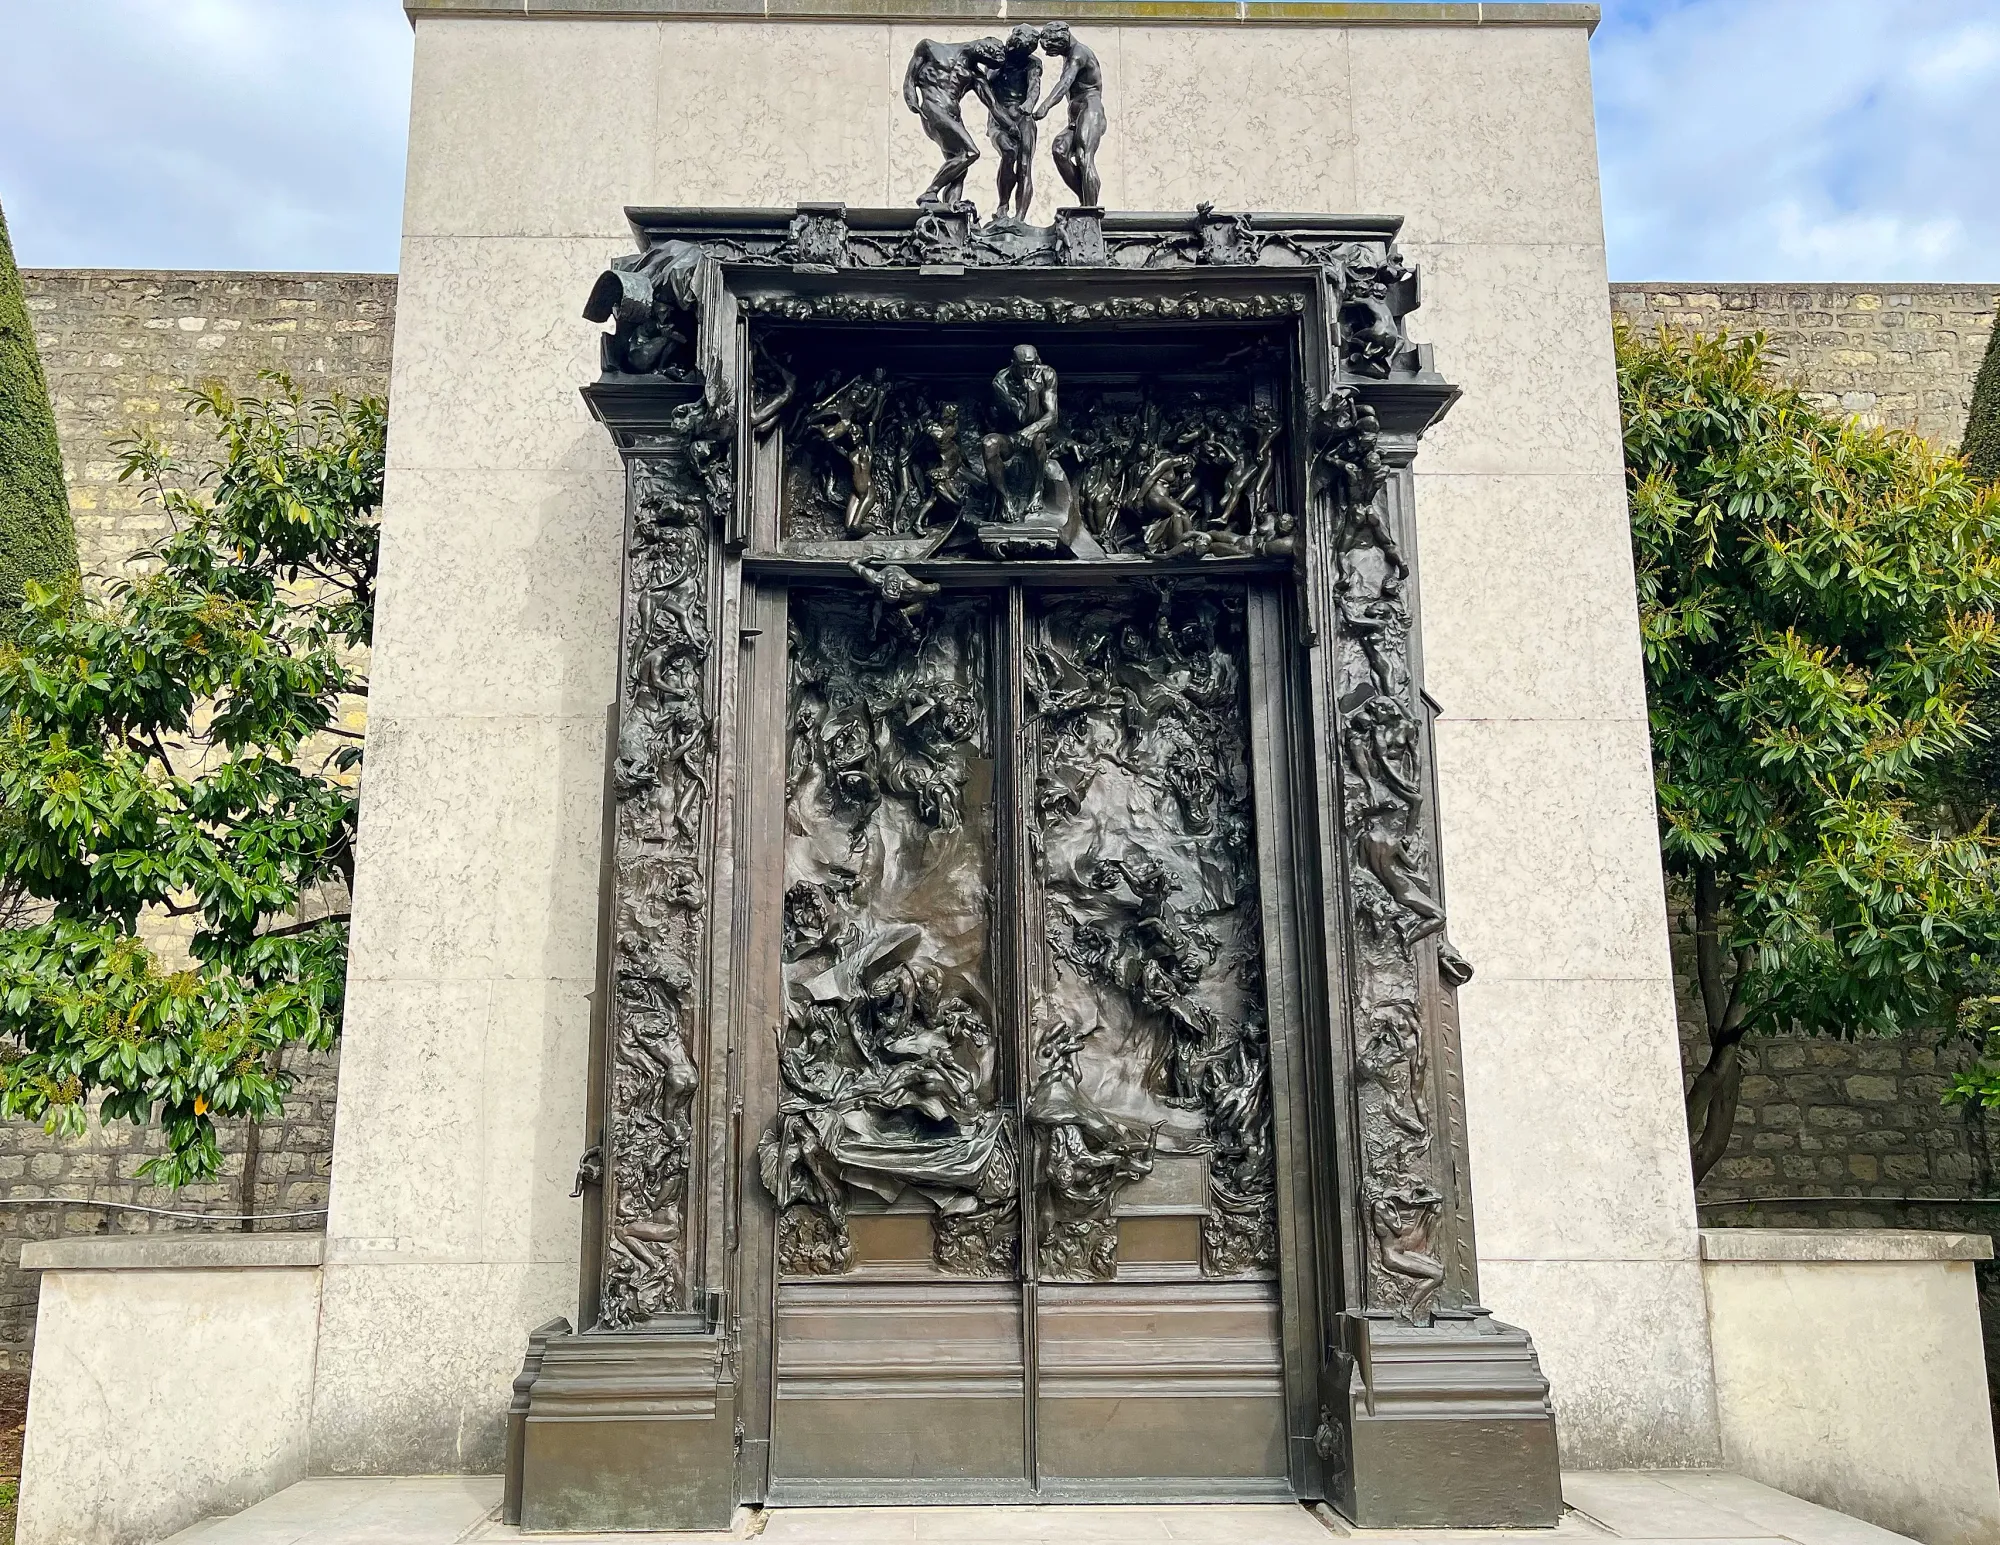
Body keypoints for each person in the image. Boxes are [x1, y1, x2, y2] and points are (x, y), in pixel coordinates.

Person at [904, 36, 1006, 208]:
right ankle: (930, 192)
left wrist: (1012, 126)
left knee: (959, 166)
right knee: (970, 152)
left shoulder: (975, 74)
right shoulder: (930, 47)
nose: (984, 64)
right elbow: (910, 79)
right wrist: (911, 99)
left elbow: (993, 106)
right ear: (984, 46)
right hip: (933, 108)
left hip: (954, 115)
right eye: (987, 59)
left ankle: (952, 206)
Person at [1033, 23, 1107, 208]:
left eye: (1054, 49)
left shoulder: (1078, 53)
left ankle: (1090, 212)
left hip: (1091, 110)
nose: (1054, 53)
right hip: (1075, 117)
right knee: (1059, 149)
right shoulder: (1069, 55)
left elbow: (1065, 82)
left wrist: (1046, 105)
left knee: (1084, 158)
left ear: (1062, 39)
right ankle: (1086, 199)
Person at [984, 26, 1043, 221]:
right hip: (999, 115)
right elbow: (986, 86)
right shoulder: (998, 57)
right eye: (1016, 52)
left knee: (1025, 164)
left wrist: (1028, 104)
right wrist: (999, 65)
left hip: (1022, 114)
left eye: (1023, 54)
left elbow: (1034, 87)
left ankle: (1020, 217)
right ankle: (1003, 205)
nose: (1019, 57)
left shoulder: (1033, 63)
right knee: (1009, 152)